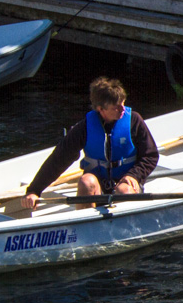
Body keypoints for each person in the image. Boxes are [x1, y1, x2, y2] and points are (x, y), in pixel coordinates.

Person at [21, 77, 159, 212]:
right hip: (98, 185)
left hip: (126, 182)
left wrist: (134, 175)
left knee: (124, 190)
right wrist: (34, 190)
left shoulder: (134, 121)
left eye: (122, 103)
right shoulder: (84, 128)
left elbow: (150, 156)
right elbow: (59, 159)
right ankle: (86, 220)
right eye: (116, 107)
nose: (122, 109)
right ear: (101, 109)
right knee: (86, 182)